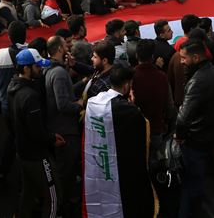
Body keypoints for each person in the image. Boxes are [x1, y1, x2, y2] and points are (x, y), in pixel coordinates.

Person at [83, 66, 157, 217]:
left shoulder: (94, 103)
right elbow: (142, 140)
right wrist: (133, 106)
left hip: (98, 163)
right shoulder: (130, 112)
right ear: (127, 85)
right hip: (121, 169)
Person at [7, 49, 64, 218]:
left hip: (23, 153)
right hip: (38, 156)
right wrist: (52, 138)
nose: (41, 69)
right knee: (54, 197)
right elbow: (36, 130)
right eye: (37, 66)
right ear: (26, 68)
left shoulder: (12, 90)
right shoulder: (29, 96)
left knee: (28, 195)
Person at [175, 37, 214, 218]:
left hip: (195, 141)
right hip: (210, 134)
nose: (181, 62)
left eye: (184, 58)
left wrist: (179, 136)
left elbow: (183, 118)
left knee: (191, 185)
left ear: (196, 57)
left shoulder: (197, 81)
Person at [44, 35, 83, 217]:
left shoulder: (53, 70)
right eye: (65, 45)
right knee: (67, 174)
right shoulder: (58, 73)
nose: (68, 47)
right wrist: (80, 104)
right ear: (59, 49)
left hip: (60, 129)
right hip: (66, 131)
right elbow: (63, 104)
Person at [132, 38, 175, 159]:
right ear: (152, 56)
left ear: (136, 55)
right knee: (156, 161)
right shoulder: (161, 77)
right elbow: (169, 106)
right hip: (157, 128)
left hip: (137, 129)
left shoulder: (130, 77)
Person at [0, 21, 26, 114]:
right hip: (26, 101)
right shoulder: (31, 53)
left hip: (7, 103)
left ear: (9, 37)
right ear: (25, 35)